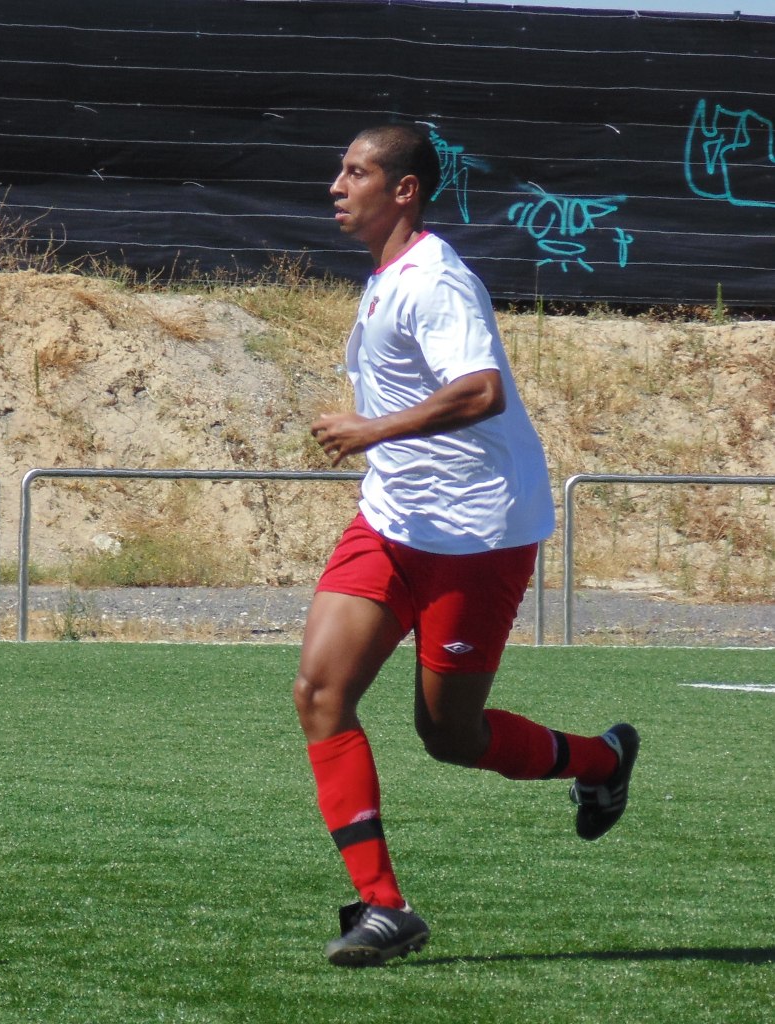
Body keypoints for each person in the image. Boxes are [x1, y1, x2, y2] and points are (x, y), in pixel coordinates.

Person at [293, 124, 640, 968]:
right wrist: (382, 445)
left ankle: (600, 760)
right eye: (339, 170)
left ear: (403, 190)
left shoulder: (435, 280)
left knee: (449, 735)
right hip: (391, 521)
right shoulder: (386, 277)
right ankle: (385, 908)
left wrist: (373, 428)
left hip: (475, 535)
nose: (336, 185)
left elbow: (481, 390)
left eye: (355, 172)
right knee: (318, 692)